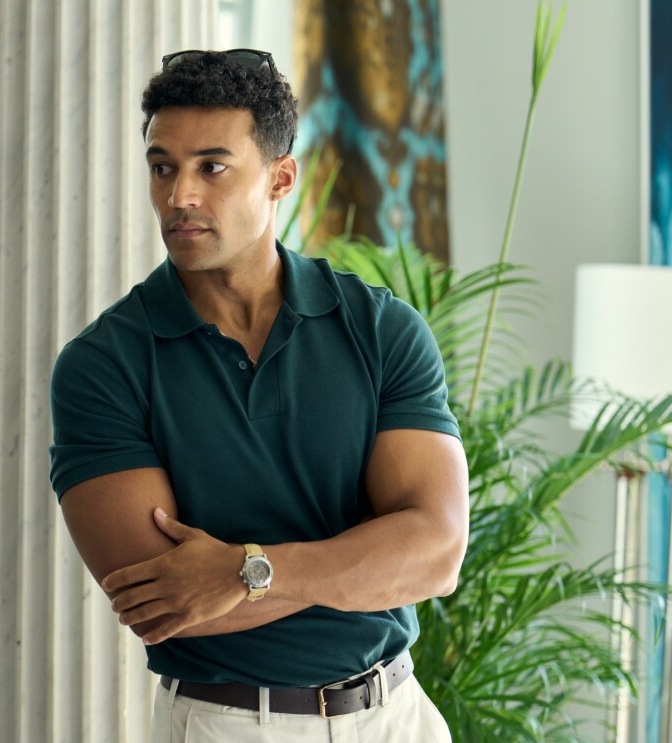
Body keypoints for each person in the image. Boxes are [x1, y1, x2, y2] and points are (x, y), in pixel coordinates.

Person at [48, 49, 468, 741]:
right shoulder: (103, 365)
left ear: (280, 178)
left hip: (397, 716)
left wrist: (244, 571)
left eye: (211, 167)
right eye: (162, 167)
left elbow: (436, 553)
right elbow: (165, 601)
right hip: (229, 724)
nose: (179, 195)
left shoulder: (381, 329)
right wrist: (359, 561)